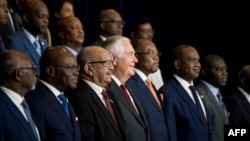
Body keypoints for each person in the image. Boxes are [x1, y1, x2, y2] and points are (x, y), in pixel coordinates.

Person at [66, 46, 127, 141]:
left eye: (111, 62)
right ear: (88, 69)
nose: (111, 67)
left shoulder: (109, 94)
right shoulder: (78, 97)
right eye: (106, 63)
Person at [25, 46, 81, 141]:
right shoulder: (35, 102)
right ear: (51, 71)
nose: (76, 73)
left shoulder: (64, 98)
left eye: (76, 68)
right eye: (70, 68)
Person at [159, 44, 212, 141]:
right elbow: (171, 133)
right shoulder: (168, 93)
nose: (198, 64)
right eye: (192, 60)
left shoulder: (197, 91)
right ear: (177, 64)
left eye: (198, 60)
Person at [103, 35, 150, 141]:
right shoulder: (106, 90)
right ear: (113, 59)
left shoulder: (127, 88)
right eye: (130, 54)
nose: (136, 60)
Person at [126, 39, 169, 141]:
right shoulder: (129, 83)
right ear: (136, 56)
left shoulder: (148, 81)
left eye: (157, 53)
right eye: (150, 53)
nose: (156, 57)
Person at [0, 50, 39, 141]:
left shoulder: (25, 103)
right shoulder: (2, 108)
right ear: (18, 74)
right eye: (32, 68)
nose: (35, 72)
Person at [6, 0, 49, 78]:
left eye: (47, 17)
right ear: (26, 18)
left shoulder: (44, 42)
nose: (46, 21)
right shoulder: (13, 41)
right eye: (41, 16)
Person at [195, 54, 229, 141]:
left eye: (225, 69)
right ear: (204, 72)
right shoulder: (198, 94)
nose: (224, 73)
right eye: (218, 69)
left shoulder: (218, 94)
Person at [129, 14, 164, 90]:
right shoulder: (129, 64)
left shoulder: (155, 68)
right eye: (145, 31)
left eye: (151, 31)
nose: (150, 35)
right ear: (133, 34)